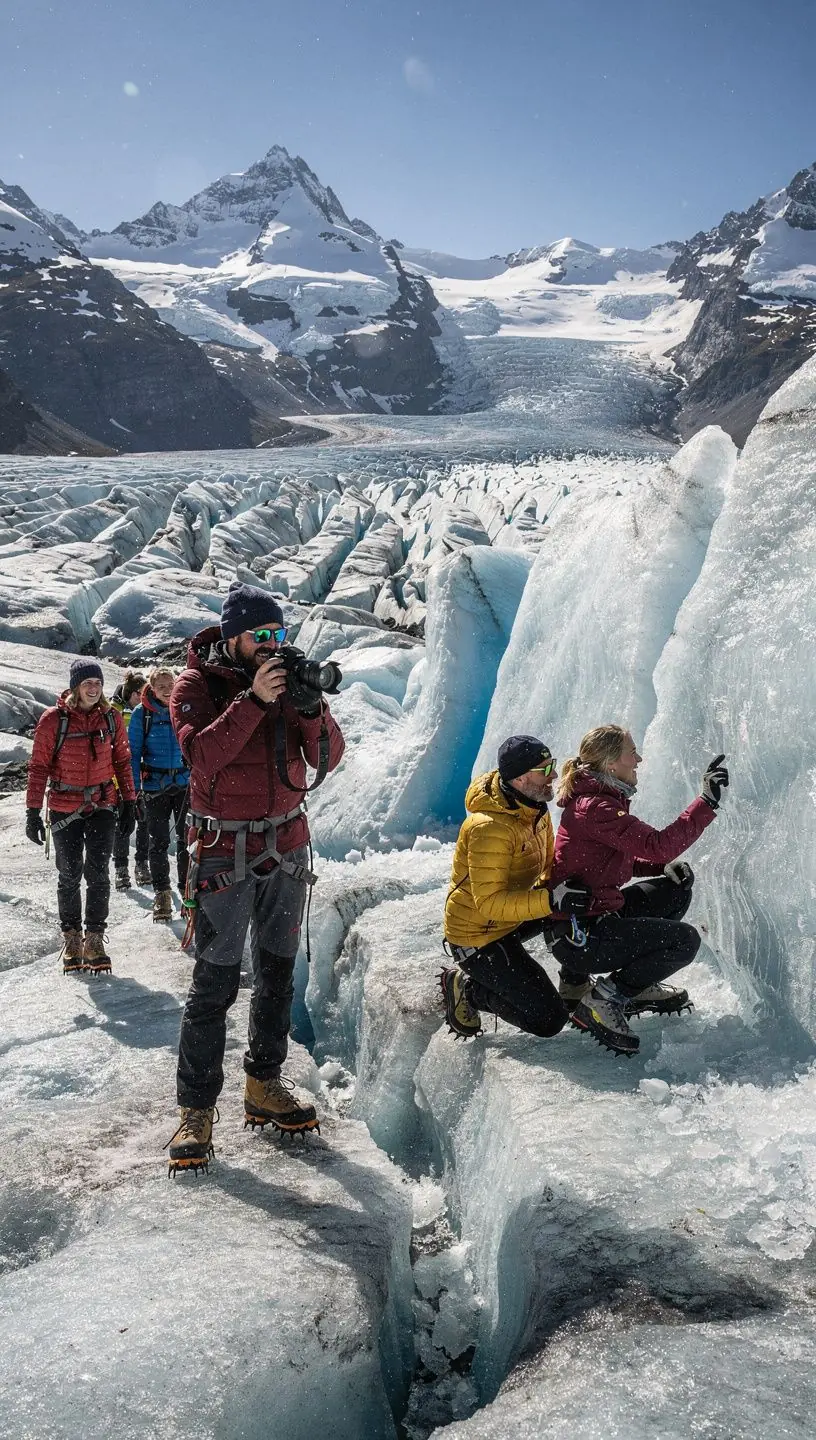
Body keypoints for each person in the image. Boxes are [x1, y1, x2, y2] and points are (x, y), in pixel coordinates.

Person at [165, 582, 345, 1175]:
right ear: (233, 637)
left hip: (286, 846)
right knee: (213, 985)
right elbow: (200, 759)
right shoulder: (196, 685)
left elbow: (328, 757)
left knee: (275, 975)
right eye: (261, 636)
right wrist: (255, 703)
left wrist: (312, 710)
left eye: (279, 634)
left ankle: (263, 1084)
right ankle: (196, 1109)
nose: (272, 644)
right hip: (221, 851)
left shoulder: (289, 680)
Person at [550, 725, 729, 1056]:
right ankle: (605, 999)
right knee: (685, 941)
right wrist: (706, 802)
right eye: (632, 753)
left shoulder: (599, 800)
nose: (640, 759)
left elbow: (607, 863)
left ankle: (636, 984)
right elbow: (657, 844)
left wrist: (661, 869)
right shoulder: (596, 807)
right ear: (611, 763)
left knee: (675, 891)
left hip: (591, 918)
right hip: (583, 937)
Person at [440, 735, 591, 1042]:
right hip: (479, 935)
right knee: (548, 1019)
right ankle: (468, 990)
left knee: (581, 899)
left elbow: (549, 866)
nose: (554, 775)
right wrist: (550, 901)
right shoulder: (489, 828)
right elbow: (490, 904)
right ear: (521, 778)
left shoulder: (534, 808)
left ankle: (575, 981)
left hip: (511, 918)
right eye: (545, 769)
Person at [25, 659, 136, 975]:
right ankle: (72, 937)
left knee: (98, 872)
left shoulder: (111, 718)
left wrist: (130, 801)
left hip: (102, 804)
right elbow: (38, 769)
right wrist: (32, 812)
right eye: (87, 682)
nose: (93, 687)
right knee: (70, 872)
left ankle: (95, 938)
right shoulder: (52, 721)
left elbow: (123, 762)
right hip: (63, 806)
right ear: (75, 686)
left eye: (97, 683)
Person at [128, 666, 191, 923]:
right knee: (159, 842)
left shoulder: (185, 709)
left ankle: (188, 893)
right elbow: (132, 755)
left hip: (185, 784)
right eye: (161, 686)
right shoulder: (141, 715)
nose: (167, 690)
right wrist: (133, 793)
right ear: (152, 689)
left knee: (188, 842)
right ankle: (162, 893)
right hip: (155, 785)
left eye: (170, 685)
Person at [111, 670, 149, 890]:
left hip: (142, 774)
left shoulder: (145, 712)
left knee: (144, 821)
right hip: (118, 778)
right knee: (123, 823)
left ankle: (141, 865)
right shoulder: (112, 711)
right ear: (133, 693)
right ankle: (121, 868)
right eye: (141, 694)